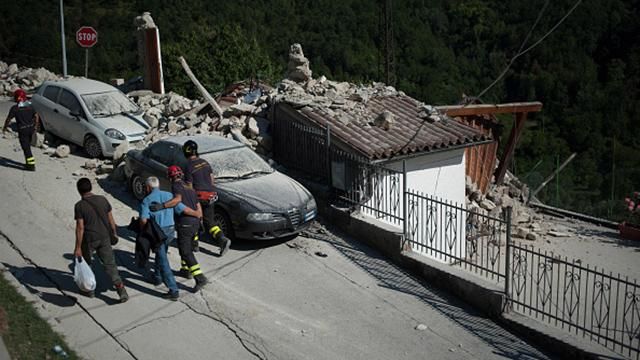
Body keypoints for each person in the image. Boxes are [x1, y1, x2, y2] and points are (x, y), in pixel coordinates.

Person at [139, 176, 202, 301]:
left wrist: (144, 232)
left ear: (148, 187)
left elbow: (143, 220)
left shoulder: (146, 200)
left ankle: (173, 290)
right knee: (160, 254)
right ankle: (157, 277)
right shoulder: (168, 196)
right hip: (170, 232)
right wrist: (196, 214)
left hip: (157, 234)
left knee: (163, 261)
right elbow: (182, 209)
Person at [150, 165, 208, 292]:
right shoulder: (189, 186)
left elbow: (177, 200)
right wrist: (200, 218)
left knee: (185, 252)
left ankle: (200, 278)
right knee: (187, 246)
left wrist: (162, 206)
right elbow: (198, 204)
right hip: (195, 223)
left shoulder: (176, 186)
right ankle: (186, 270)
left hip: (185, 223)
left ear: (170, 177)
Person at [73, 177, 128, 302]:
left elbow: (80, 228)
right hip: (104, 237)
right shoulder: (103, 200)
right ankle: (121, 290)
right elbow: (111, 220)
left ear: (79, 190)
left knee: (86, 264)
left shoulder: (79, 206)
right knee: (110, 265)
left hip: (89, 239)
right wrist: (114, 233)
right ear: (91, 187)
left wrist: (77, 247)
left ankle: (89, 289)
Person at [182, 139, 231, 256]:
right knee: (209, 221)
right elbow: (212, 180)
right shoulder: (205, 162)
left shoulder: (188, 166)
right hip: (211, 195)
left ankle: (194, 245)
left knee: (193, 220)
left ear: (186, 152)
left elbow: (189, 186)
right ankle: (222, 239)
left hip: (199, 196)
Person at [2, 88, 40, 171]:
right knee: (28, 146)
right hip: (31, 129)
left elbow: (8, 119)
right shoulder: (30, 106)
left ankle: (31, 165)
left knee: (26, 149)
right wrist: (35, 127)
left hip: (23, 130)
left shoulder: (14, 108)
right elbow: (36, 116)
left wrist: (5, 128)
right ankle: (28, 162)